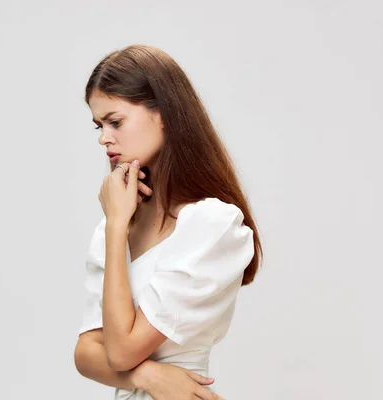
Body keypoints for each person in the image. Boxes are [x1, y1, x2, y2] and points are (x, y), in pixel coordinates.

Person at [73, 44, 263, 400]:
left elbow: (120, 351)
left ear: (163, 113)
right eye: (99, 125)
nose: (104, 137)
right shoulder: (116, 225)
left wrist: (116, 226)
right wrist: (151, 377)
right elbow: (85, 352)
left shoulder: (212, 223)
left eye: (115, 121)